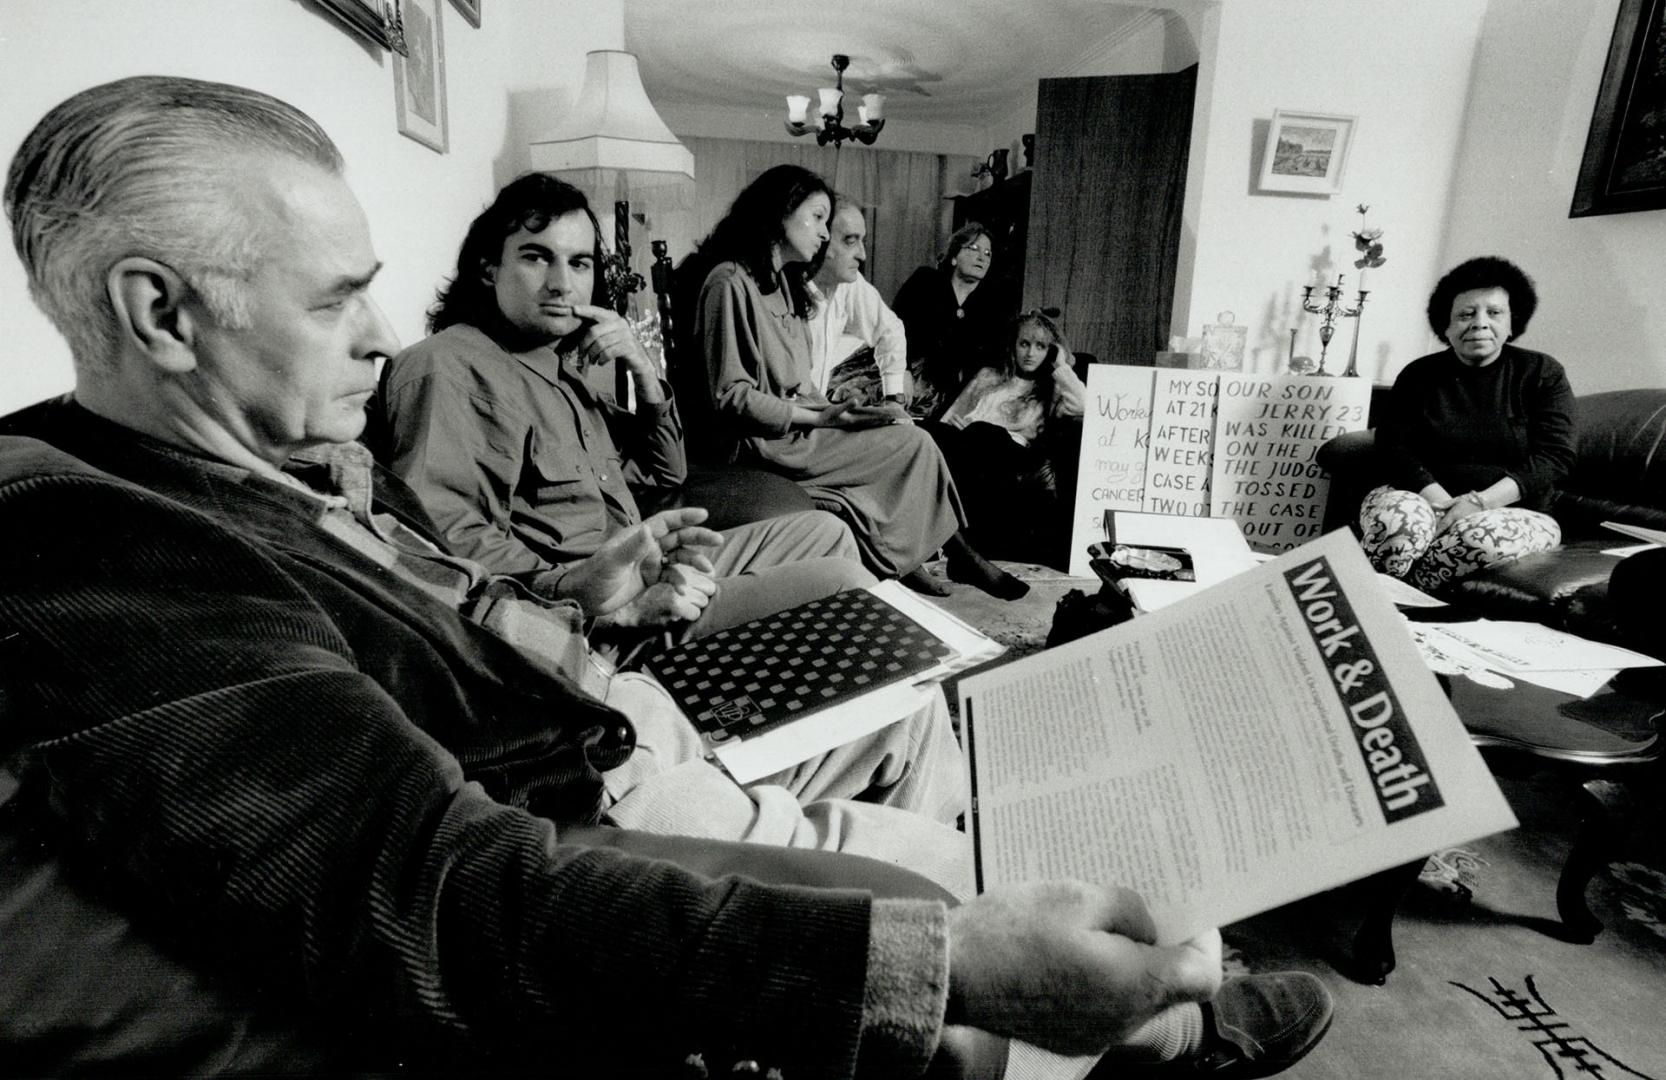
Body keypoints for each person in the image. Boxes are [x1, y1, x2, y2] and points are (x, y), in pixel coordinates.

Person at [0, 77, 1335, 1079]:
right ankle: (1146, 1033)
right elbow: (426, 891)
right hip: (597, 803)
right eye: (334, 298)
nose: (385, 333)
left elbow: (449, 605)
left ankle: (1148, 1003)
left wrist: (593, 597)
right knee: (978, 910)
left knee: (998, 777)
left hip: (623, 714)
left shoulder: (258, 462)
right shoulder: (86, 542)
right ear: (159, 313)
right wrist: (945, 963)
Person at [379, 173, 871, 648]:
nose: (561, 284)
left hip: (643, 568)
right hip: (596, 616)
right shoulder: (447, 367)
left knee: (826, 531)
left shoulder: (559, 369)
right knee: (843, 581)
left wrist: (641, 365)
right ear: (489, 269)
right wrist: (582, 592)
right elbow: (445, 539)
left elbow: (665, 474)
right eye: (536, 258)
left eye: (579, 264)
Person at [691, 164, 1027, 601]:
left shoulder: (785, 286)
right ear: (779, 214)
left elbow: (804, 383)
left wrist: (849, 413)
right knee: (913, 446)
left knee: (912, 435)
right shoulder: (730, 282)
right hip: (768, 441)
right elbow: (732, 398)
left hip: (805, 426)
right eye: (816, 218)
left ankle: (928, 556)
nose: (822, 232)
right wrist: (816, 416)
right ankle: (927, 559)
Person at [1361, 257, 1576, 592]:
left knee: (1477, 539)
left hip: (1514, 509)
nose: (1479, 323)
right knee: (1398, 525)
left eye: (1494, 312)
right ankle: (1373, 607)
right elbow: (1393, 447)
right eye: (1465, 314)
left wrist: (1478, 503)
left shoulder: (1541, 373)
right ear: (1445, 325)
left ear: (1511, 321)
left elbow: (1554, 457)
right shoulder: (1419, 375)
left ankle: (1404, 603)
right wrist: (1440, 503)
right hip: (1421, 494)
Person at [924, 309, 1087, 567]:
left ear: (1051, 351)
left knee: (985, 433)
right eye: (1024, 344)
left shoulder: (1052, 386)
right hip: (968, 445)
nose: (1030, 353)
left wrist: (1062, 366)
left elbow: (1085, 406)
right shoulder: (988, 376)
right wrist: (958, 429)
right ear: (1013, 345)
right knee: (928, 434)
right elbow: (947, 421)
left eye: (1041, 346)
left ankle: (958, 545)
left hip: (1012, 455)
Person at [892, 222, 1006, 417]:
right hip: (899, 368)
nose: (981, 257)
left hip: (943, 394)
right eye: (973, 249)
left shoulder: (990, 306)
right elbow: (893, 327)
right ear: (954, 256)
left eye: (988, 253)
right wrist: (901, 372)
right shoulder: (926, 281)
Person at [805, 198, 909, 404]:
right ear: (820, 239)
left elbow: (890, 330)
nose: (862, 255)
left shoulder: (848, 284)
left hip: (816, 417)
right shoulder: (787, 292)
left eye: (862, 241)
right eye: (850, 241)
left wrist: (894, 399)